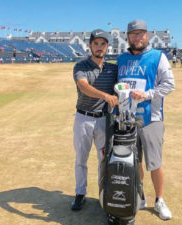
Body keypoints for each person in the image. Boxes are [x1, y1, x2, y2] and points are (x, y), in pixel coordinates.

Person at [117, 20, 175, 220]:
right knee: (133, 162)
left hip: (151, 119)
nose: (137, 37)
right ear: (128, 36)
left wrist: (148, 94)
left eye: (141, 33)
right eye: (133, 34)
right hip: (127, 121)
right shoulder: (121, 59)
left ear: (147, 36)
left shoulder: (158, 57)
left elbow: (169, 85)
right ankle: (140, 196)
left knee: (155, 163)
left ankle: (159, 200)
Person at [71, 29, 118, 211]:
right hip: (83, 117)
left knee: (103, 160)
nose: (99, 47)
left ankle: (102, 193)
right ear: (90, 45)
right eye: (96, 44)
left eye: (103, 44)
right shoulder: (81, 66)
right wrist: (106, 96)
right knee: (81, 159)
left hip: (104, 120)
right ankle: (80, 193)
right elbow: (83, 87)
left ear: (107, 47)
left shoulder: (113, 68)